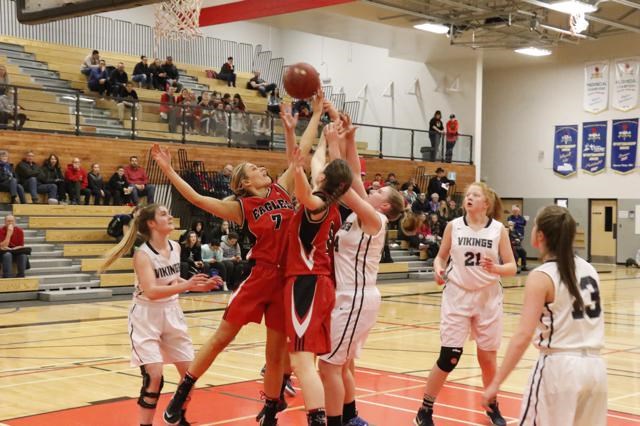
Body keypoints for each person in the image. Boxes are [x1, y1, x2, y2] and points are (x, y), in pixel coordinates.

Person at [156, 92, 325, 426]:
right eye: (255, 169)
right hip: (260, 275)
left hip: (286, 279)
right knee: (221, 338)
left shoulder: (282, 188)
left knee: (275, 353)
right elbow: (198, 198)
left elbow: (299, 152)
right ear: (245, 183)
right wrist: (168, 171)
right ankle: (180, 395)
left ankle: (271, 410)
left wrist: (316, 113)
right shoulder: (240, 207)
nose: (263, 168)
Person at [318, 114, 418, 426]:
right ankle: (351, 418)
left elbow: (343, 181)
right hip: (349, 297)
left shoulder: (375, 219)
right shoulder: (367, 211)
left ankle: (336, 421)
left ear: (385, 205)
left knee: (328, 366)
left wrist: (333, 144)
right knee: (343, 364)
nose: (371, 189)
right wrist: (349, 139)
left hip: (355, 298)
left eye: (378, 192)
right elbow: (353, 179)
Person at [482, 206, 606, 425]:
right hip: (596, 370)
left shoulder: (542, 276)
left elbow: (522, 336)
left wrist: (495, 383)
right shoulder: (589, 269)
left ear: (540, 236)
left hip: (559, 369)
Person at [100, 204, 220, 426]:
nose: (171, 216)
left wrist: (196, 286)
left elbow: (173, 281)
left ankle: (176, 415)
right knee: (154, 376)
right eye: (164, 214)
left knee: (190, 375)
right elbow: (152, 291)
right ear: (151, 223)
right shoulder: (142, 255)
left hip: (172, 313)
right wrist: (187, 286)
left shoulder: (175, 246)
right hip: (146, 316)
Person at [413, 182, 517, 426]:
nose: (469, 197)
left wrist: (497, 268)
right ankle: (425, 409)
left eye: (475, 195)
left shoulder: (498, 229)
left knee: (487, 359)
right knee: (449, 356)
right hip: (458, 295)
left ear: (486, 203)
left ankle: (492, 405)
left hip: (488, 297)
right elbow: (440, 257)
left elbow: (512, 267)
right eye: (467, 195)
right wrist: (438, 270)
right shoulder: (454, 226)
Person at [283, 131, 352, 426]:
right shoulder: (334, 206)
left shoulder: (319, 205)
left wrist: (297, 169)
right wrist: (325, 139)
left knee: (301, 359)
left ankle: (317, 420)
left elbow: (303, 196)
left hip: (306, 283)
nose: (316, 170)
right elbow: (317, 167)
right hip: (320, 284)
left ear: (324, 180)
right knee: (305, 358)